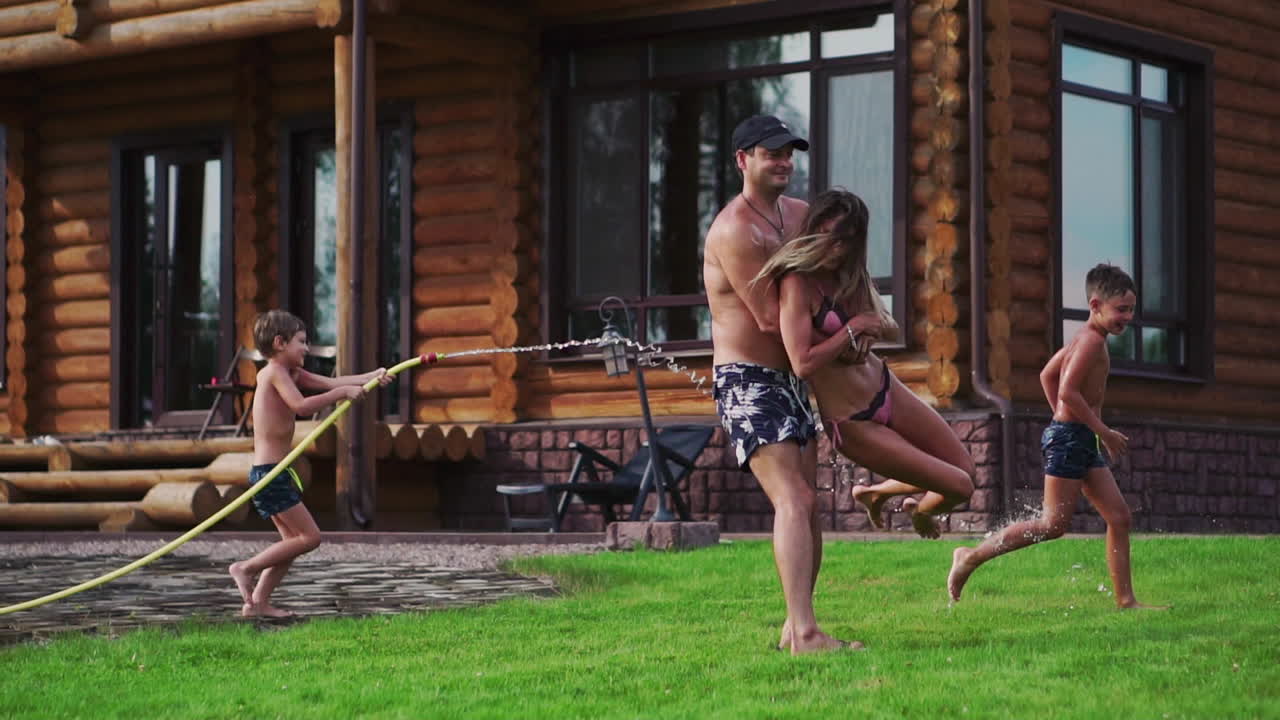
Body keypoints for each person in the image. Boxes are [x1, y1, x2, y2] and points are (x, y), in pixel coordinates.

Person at [704, 115, 852, 654]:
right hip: (746, 380)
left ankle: (798, 627)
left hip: (791, 378)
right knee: (794, 498)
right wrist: (846, 333)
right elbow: (771, 320)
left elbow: (832, 272)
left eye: (789, 152)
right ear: (743, 160)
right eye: (772, 153)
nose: (784, 161)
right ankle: (807, 633)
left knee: (809, 506)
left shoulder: (799, 215)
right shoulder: (733, 230)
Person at [755, 189, 975, 540]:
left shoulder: (850, 275)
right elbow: (802, 363)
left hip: (885, 386)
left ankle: (884, 495)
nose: (836, 250)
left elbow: (888, 325)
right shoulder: (796, 282)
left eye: (845, 243)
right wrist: (853, 329)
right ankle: (913, 508)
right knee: (960, 486)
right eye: (830, 239)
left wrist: (866, 330)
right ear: (814, 231)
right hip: (853, 421)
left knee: (966, 469)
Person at [947, 264, 1165, 610]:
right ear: (1096, 305)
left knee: (1119, 516)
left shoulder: (1087, 338)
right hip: (1072, 439)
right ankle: (969, 557)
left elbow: (1047, 375)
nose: (1128, 317)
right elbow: (1066, 390)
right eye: (1121, 310)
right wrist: (1100, 430)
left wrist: (1065, 421)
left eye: (1131, 310)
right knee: (1052, 524)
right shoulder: (1091, 341)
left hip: (1075, 436)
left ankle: (1126, 601)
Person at [229, 310, 391, 618]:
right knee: (310, 538)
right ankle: (245, 568)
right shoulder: (274, 372)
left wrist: (373, 377)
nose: (307, 348)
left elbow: (332, 381)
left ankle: (258, 604)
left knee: (292, 542)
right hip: (269, 475)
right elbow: (301, 406)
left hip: (275, 472)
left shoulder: (291, 372)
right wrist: (342, 394)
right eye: (302, 342)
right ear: (280, 343)